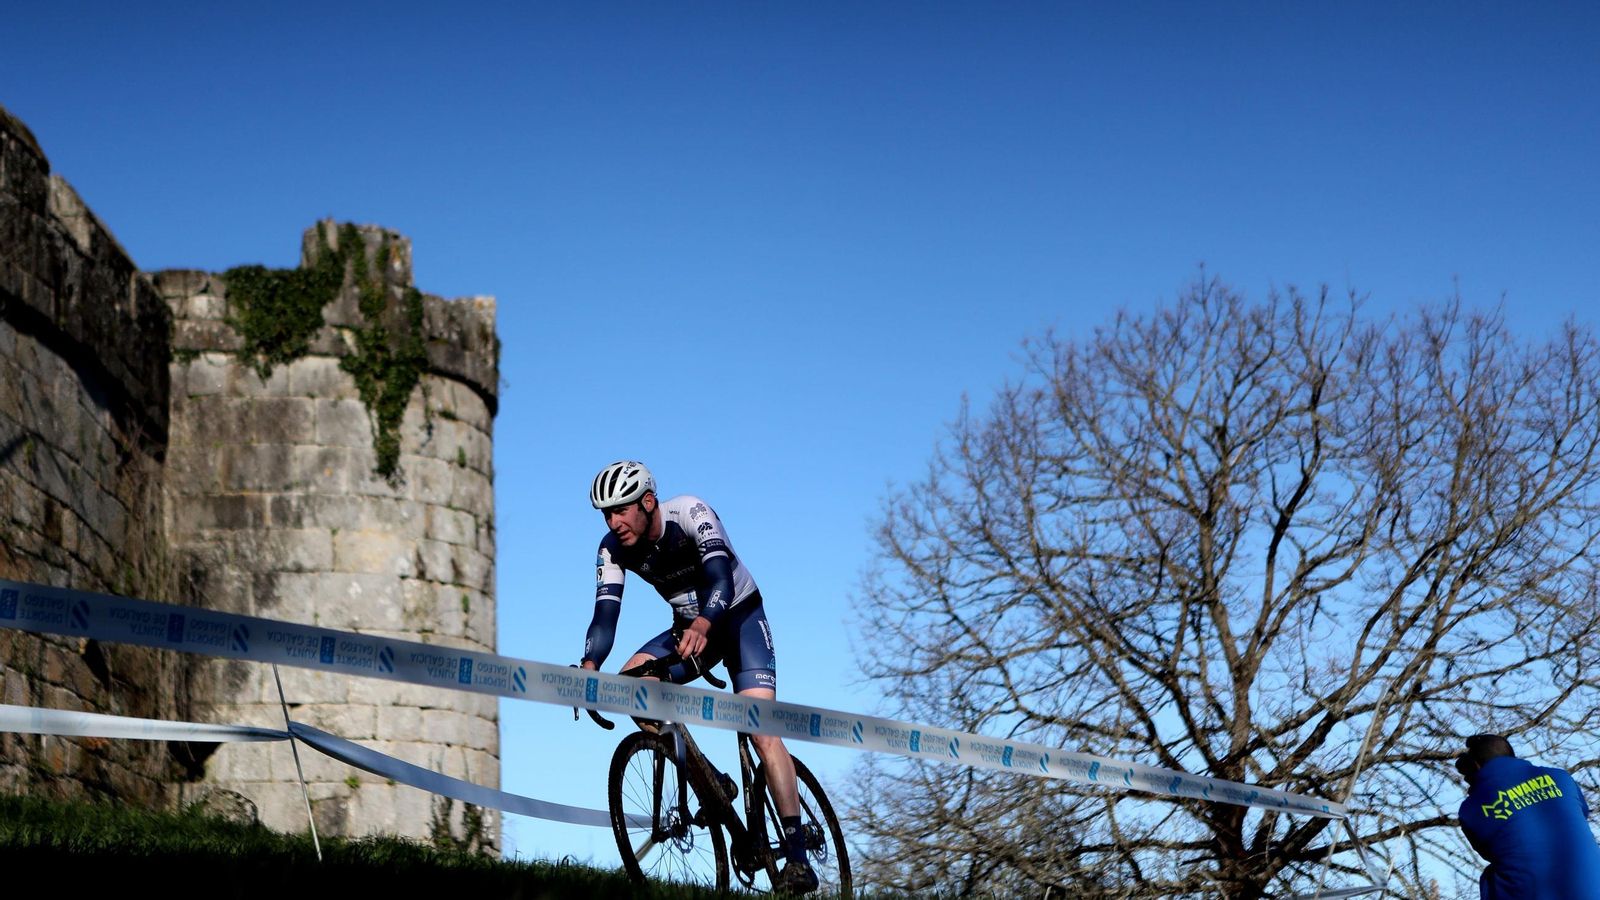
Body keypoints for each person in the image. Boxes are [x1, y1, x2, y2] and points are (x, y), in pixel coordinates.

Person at [578, 460, 818, 894]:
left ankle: (798, 856)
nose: (613, 523)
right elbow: (605, 615)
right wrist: (590, 667)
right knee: (632, 684)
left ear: (647, 502)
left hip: (739, 620)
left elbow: (720, 578)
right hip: (689, 629)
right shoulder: (612, 549)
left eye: (621, 510)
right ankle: (711, 780)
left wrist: (706, 623)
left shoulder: (690, 512)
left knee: (762, 732)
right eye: (606, 514)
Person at [1455, 733, 1600, 899]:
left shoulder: (1471, 808)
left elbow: (1488, 852)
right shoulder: (1561, 778)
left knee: (1491, 877)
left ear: (1475, 766)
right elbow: (1582, 814)